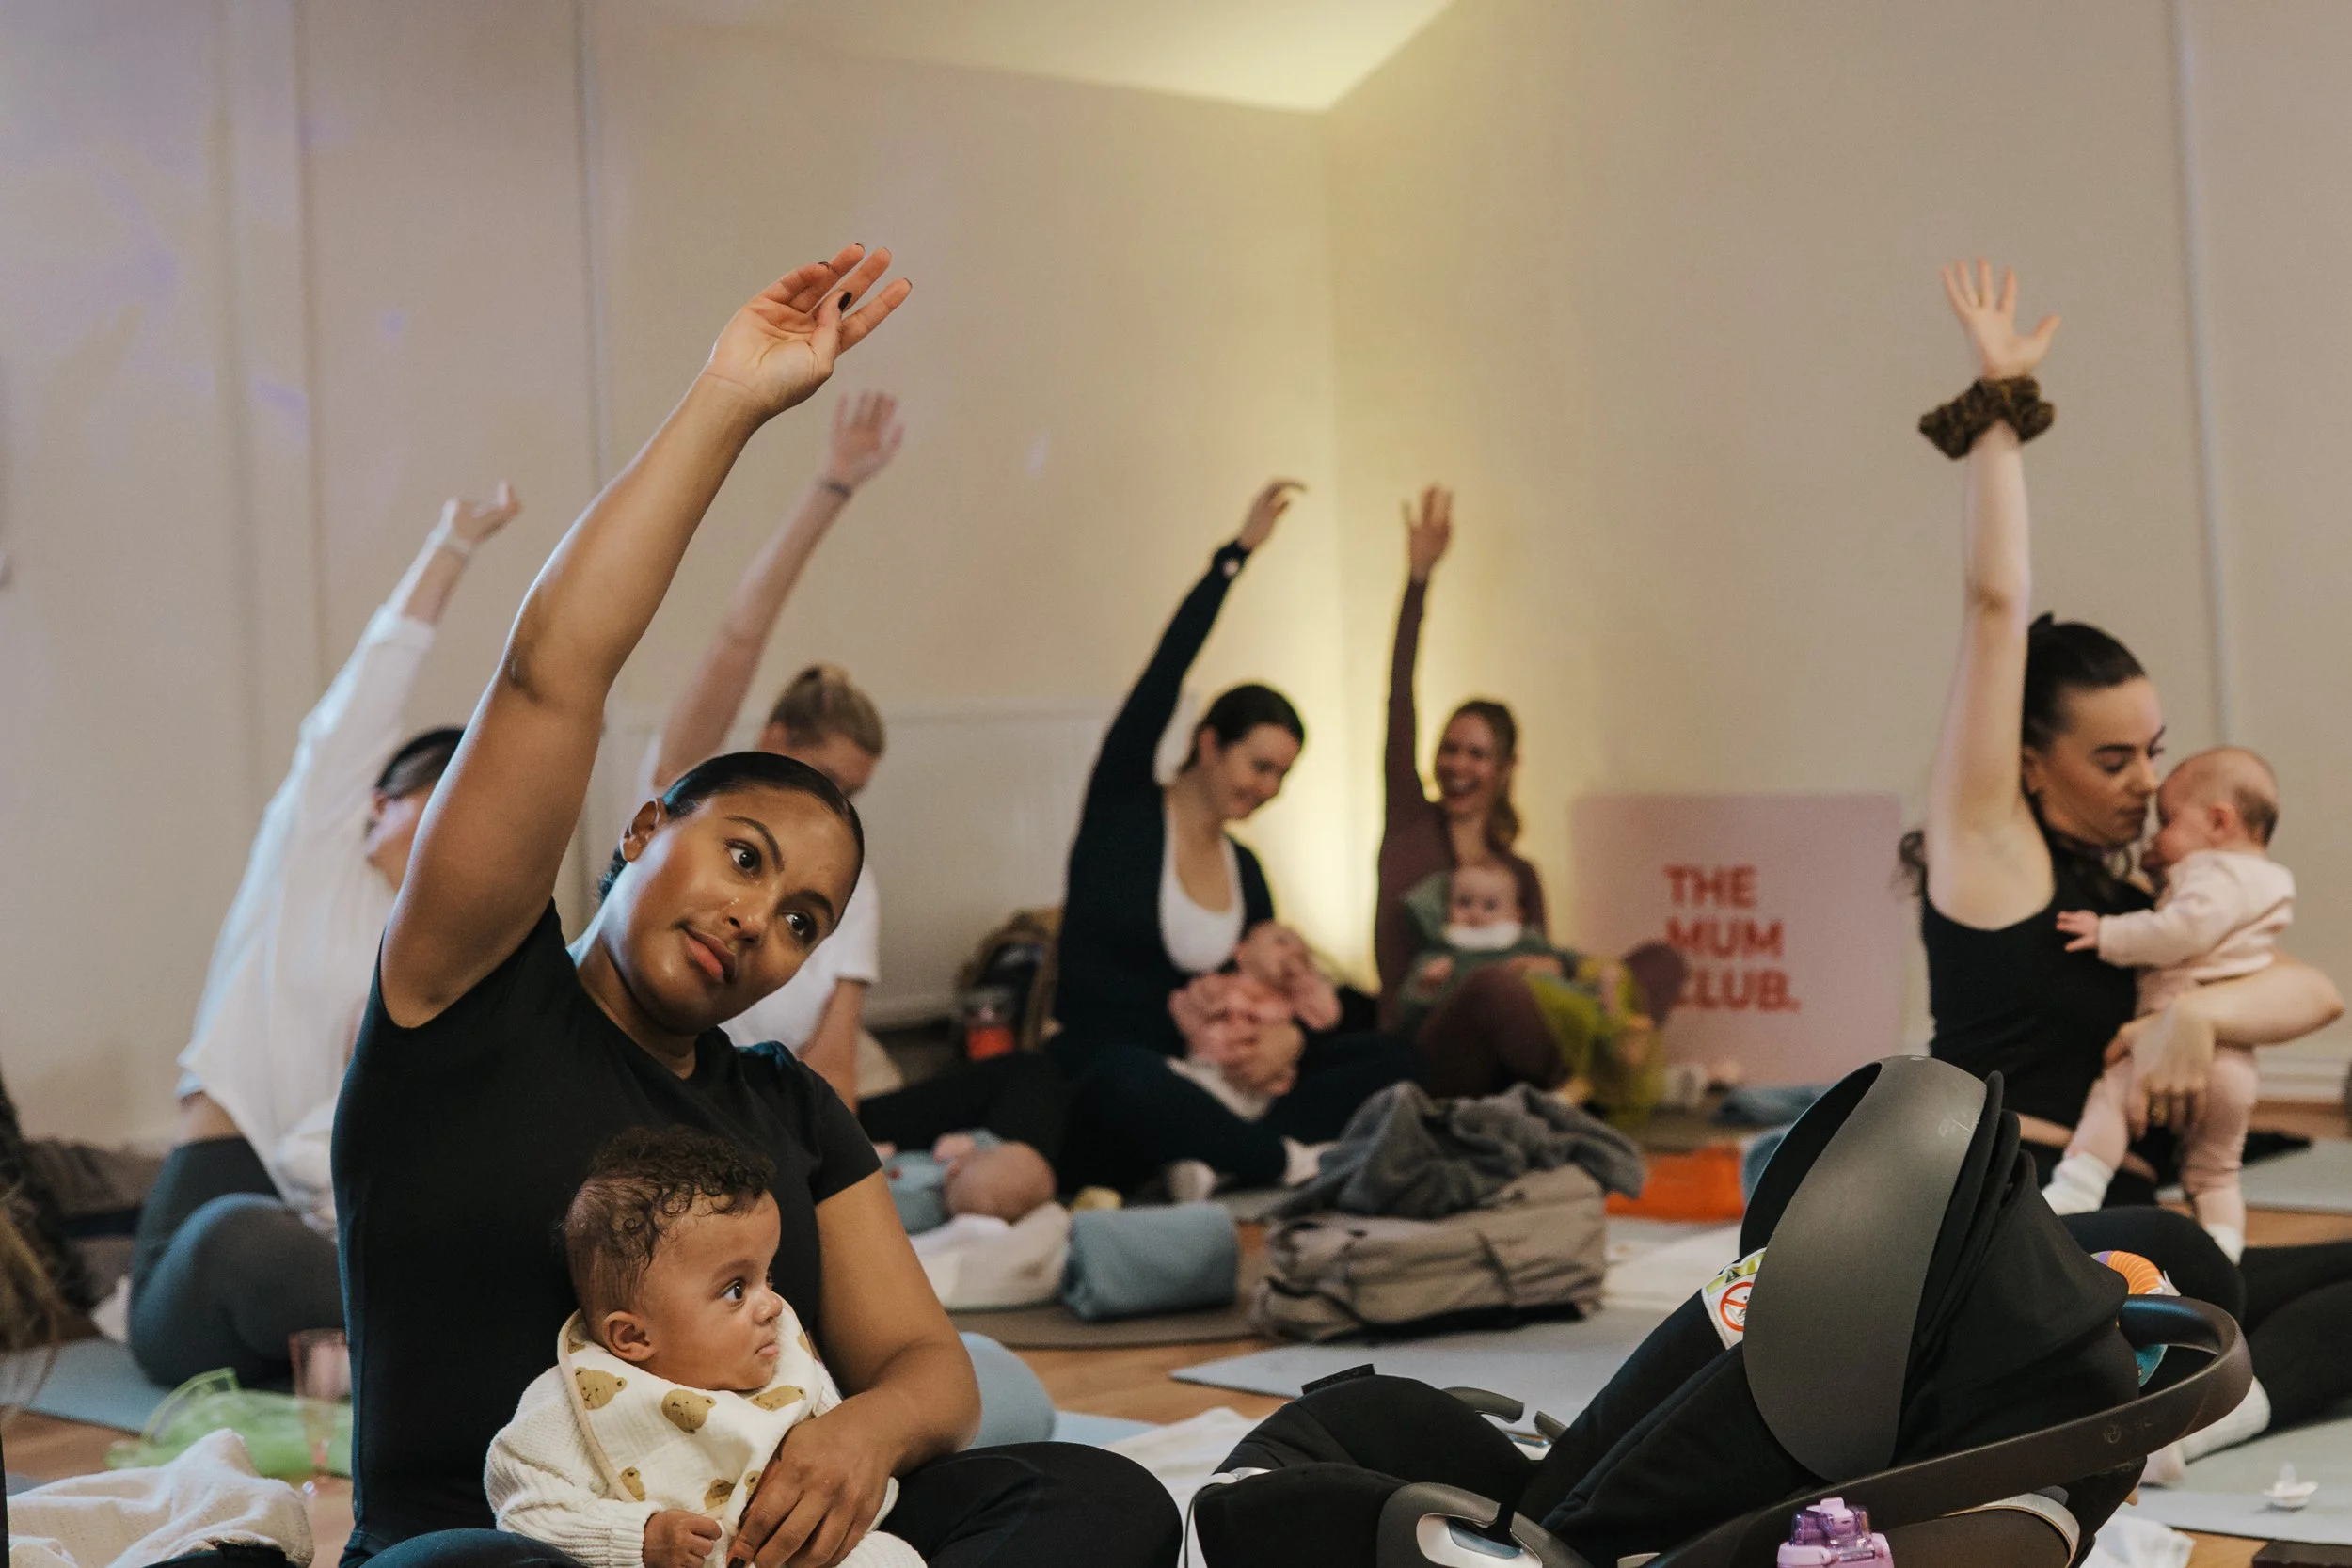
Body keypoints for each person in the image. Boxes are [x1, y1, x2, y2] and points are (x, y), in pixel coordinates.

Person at [333, 245, 1176, 1568]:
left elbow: (926, 1364)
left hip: (760, 1537)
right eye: (741, 857)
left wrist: (861, 1438)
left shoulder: (785, 1102)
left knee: (1106, 1499)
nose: (760, 921)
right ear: (642, 827)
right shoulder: (463, 994)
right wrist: (731, 399)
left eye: (802, 919)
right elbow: (555, 670)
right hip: (501, 1539)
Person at [1908, 256, 2352, 1468]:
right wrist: (2000, 411)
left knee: (2227, 1261)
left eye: (2155, 750)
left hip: (2134, 1230)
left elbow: (2314, 990)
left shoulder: (2139, 884)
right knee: (2195, 1258)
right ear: (2027, 761)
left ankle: (2198, 1421)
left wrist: (2193, 1018)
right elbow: (1997, 604)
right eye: (2112, 758)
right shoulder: (1988, 855)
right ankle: (2158, 1379)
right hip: (2020, 1235)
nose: (2147, 780)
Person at [131, 485, 519, 1388]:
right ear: (380, 805)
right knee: (239, 1235)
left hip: (345, 1242)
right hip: (222, 1231)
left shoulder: (463, 942)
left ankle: (429, 1347)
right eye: (444, 797)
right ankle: (488, 1339)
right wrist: (451, 541)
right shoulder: (316, 858)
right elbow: (350, 714)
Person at [1050, 481, 1421, 1196]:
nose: (1268, 788)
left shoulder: (1246, 869)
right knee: (1124, 1081)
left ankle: (1221, 1154)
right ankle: (1280, 1160)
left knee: (1397, 1058)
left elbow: (1279, 985)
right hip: (1131, 1069)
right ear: (1210, 743)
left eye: (1282, 775)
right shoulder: (1123, 809)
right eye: (1260, 766)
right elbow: (1164, 674)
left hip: (1231, 1077)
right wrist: (1235, 557)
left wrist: (1292, 1039)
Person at [487, 1128, 920, 1568]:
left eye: (766, 1277)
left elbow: (859, 1483)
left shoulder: (786, 1362)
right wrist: (639, 1538)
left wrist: (817, 1500)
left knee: (887, 1556)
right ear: (634, 1338)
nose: (772, 1305)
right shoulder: (572, 1403)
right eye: (736, 1289)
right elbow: (526, 1512)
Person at [1377, 486, 1684, 1096]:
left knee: (1659, 962)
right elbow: (1398, 706)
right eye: (1451, 749)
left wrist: (1551, 966)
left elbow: (1543, 959)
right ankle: (1593, 1077)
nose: (1459, 764)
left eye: (1477, 753)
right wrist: (1418, 581)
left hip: (1521, 1029)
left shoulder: (1519, 870)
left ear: (1505, 768)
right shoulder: (1410, 825)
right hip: (1435, 1042)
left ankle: (1580, 1076)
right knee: (1494, 988)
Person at [646, 392, 904, 1112]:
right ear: (775, 739)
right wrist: (833, 487)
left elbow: (833, 1076)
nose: (834, 808)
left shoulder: (851, 879)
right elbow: (738, 636)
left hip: (769, 1132)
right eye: (826, 778)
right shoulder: (695, 798)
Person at [2043, 748, 2295, 1259]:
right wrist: (2165, 877)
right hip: (2233, 1064)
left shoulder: (2217, 873)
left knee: (2112, 1094)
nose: (2155, 838)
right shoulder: (2263, 882)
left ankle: (2076, 1186)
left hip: (2168, 1043)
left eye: (2169, 822)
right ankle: (2225, 1247)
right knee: (2216, 1169)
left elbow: (2182, 930)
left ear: (2219, 821)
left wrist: (2108, 933)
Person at [1396, 865, 1661, 1129]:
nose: (1475, 913)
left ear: (1515, 914)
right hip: (1503, 1046)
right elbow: (1408, 1014)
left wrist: (1559, 966)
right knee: (1495, 984)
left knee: (1651, 966)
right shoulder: (1443, 956)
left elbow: (1570, 961)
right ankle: (1602, 1076)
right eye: (1464, 903)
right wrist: (1428, 986)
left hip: (1557, 1008)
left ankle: (1615, 1044)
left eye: (1490, 906)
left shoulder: (1527, 943)